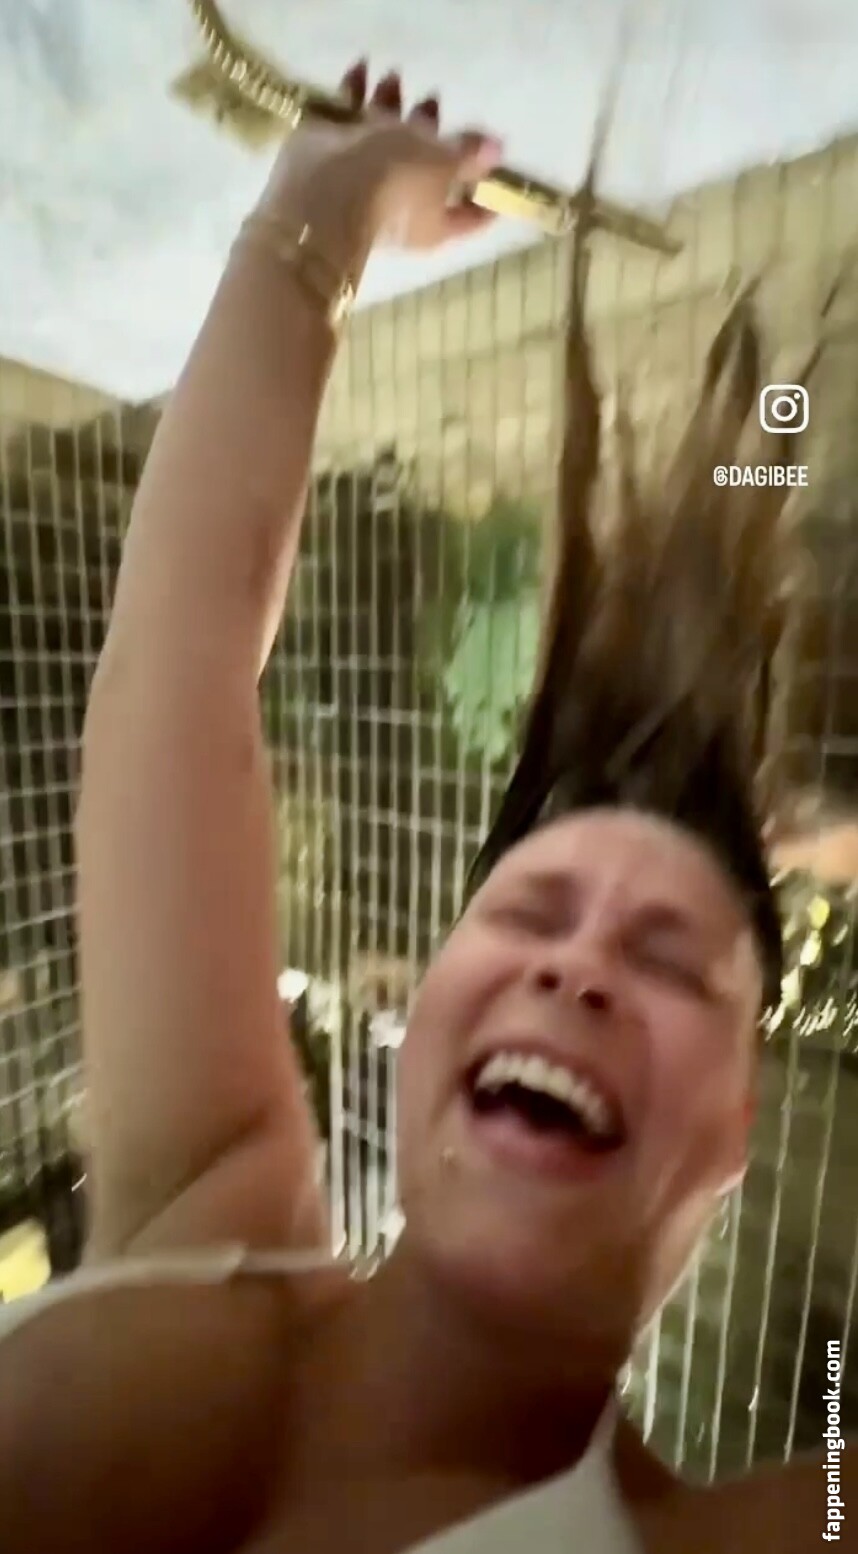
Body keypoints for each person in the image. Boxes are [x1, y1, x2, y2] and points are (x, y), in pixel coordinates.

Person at [0, 60, 852, 1554]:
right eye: (528, 914)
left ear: (739, 1124)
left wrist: (315, 230)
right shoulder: (210, 1209)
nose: (573, 963)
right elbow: (176, 678)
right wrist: (320, 210)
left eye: (665, 960)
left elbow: (172, 679)